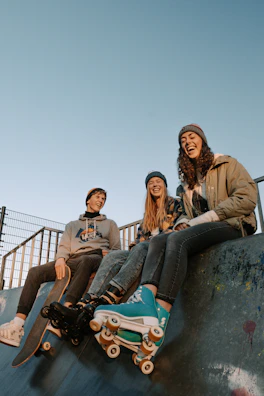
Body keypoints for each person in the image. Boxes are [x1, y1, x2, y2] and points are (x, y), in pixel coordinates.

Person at [93, 124, 257, 365]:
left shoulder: (225, 164)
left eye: (192, 137)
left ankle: (159, 316)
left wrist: (207, 218)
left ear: (202, 140)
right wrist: (185, 222)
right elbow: (189, 218)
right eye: (182, 140)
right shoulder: (188, 184)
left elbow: (248, 197)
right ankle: (144, 301)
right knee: (161, 239)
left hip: (232, 224)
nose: (187, 142)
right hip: (203, 230)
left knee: (177, 239)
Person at [47, 171, 185, 333]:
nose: (155, 185)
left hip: (162, 249)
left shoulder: (175, 204)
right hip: (144, 250)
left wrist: (144, 244)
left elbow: (179, 229)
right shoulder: (148, 215)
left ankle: (112, 295)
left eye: (158, 181)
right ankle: (86, 301)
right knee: (114, 255)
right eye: (151, 183)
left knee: (141, 247)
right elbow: (138, 241)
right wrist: (134, 248)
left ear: (165, 185)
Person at [0, 188, 120, 347]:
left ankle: (66, 312)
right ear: (88, 200)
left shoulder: (110, 224)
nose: (101, 200)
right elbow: (64, 246)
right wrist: (60, 259)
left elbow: (117, 248)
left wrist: (109, 254)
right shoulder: (72, 225)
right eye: (97, 197)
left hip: (96, 257)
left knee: (86, 260)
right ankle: (17, 325)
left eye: (104, 198)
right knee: (35, 272)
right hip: (72, 259)